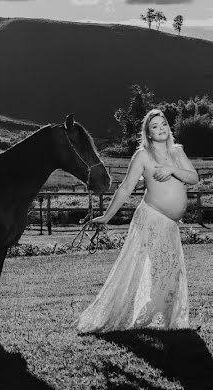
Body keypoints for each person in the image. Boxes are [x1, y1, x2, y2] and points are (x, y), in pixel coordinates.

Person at [76, 108, 199, 333]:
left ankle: (169, 322)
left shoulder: (177, 151)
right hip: (151, 218)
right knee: (163, 269)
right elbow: (124, 189)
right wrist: (107, 217)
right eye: (155, 126)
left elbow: (193, 178)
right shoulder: (143, 155)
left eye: (164, 124)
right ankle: (157, 320)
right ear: (148, 133)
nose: (161, 129)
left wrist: (172, 169)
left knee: (171, 270)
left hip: (170, 224)